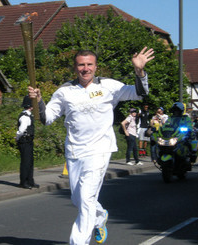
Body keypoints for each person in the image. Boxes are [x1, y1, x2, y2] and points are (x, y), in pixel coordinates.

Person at [28, 47, 154, 245]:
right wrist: (39, 101)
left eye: (89, 64)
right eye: (81, 64)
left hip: (100, 149)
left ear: (96, 66)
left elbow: (140, 93)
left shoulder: (108, 86)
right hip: (75, 151)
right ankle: (99, 216)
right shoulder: (64, 91)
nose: (85, 68)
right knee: (78, 200)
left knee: (86, 199)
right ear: (75, 67)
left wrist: (139, 71)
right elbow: (47, 118)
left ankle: (78, 242)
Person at [16, 96, 39, 189]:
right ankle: (24, 182)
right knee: (26, 162)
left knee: (30, 161)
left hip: (28, 140)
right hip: (25, 140)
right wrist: (17, 137)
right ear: (31, 106)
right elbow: (21, 130)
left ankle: (30, 181)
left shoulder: (28, 115)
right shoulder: (25, 117)